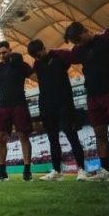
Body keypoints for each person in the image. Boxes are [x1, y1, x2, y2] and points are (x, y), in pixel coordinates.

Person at [60, 22, 109, 181]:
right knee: (99, 133)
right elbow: (64, 55)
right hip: (92, 95)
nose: (77, 44)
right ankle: (105, 170)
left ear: (85, 31)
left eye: (78, 39)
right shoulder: (78, 50)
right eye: (74, 42)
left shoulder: (107, 39)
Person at [27, 39, 88, 181]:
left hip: (64, 103)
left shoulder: (59, 55)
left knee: (71, 135)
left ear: (44, 48)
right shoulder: (37, 63)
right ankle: (56, 170)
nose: (37, 58)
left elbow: (77, 56)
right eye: (35, 57)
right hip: (46, 105)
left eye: (38, 54)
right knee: (52, 138)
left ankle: (81, 169)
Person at [0, 41, 34, 181]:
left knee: (23, 136)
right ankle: (2, 171)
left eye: (4, 52)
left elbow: (36, 77)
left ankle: (27, 170)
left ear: (10, 50)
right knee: (0, 137)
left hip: (19, 104)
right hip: (2, 105)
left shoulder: (21, 65)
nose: (2, 55)